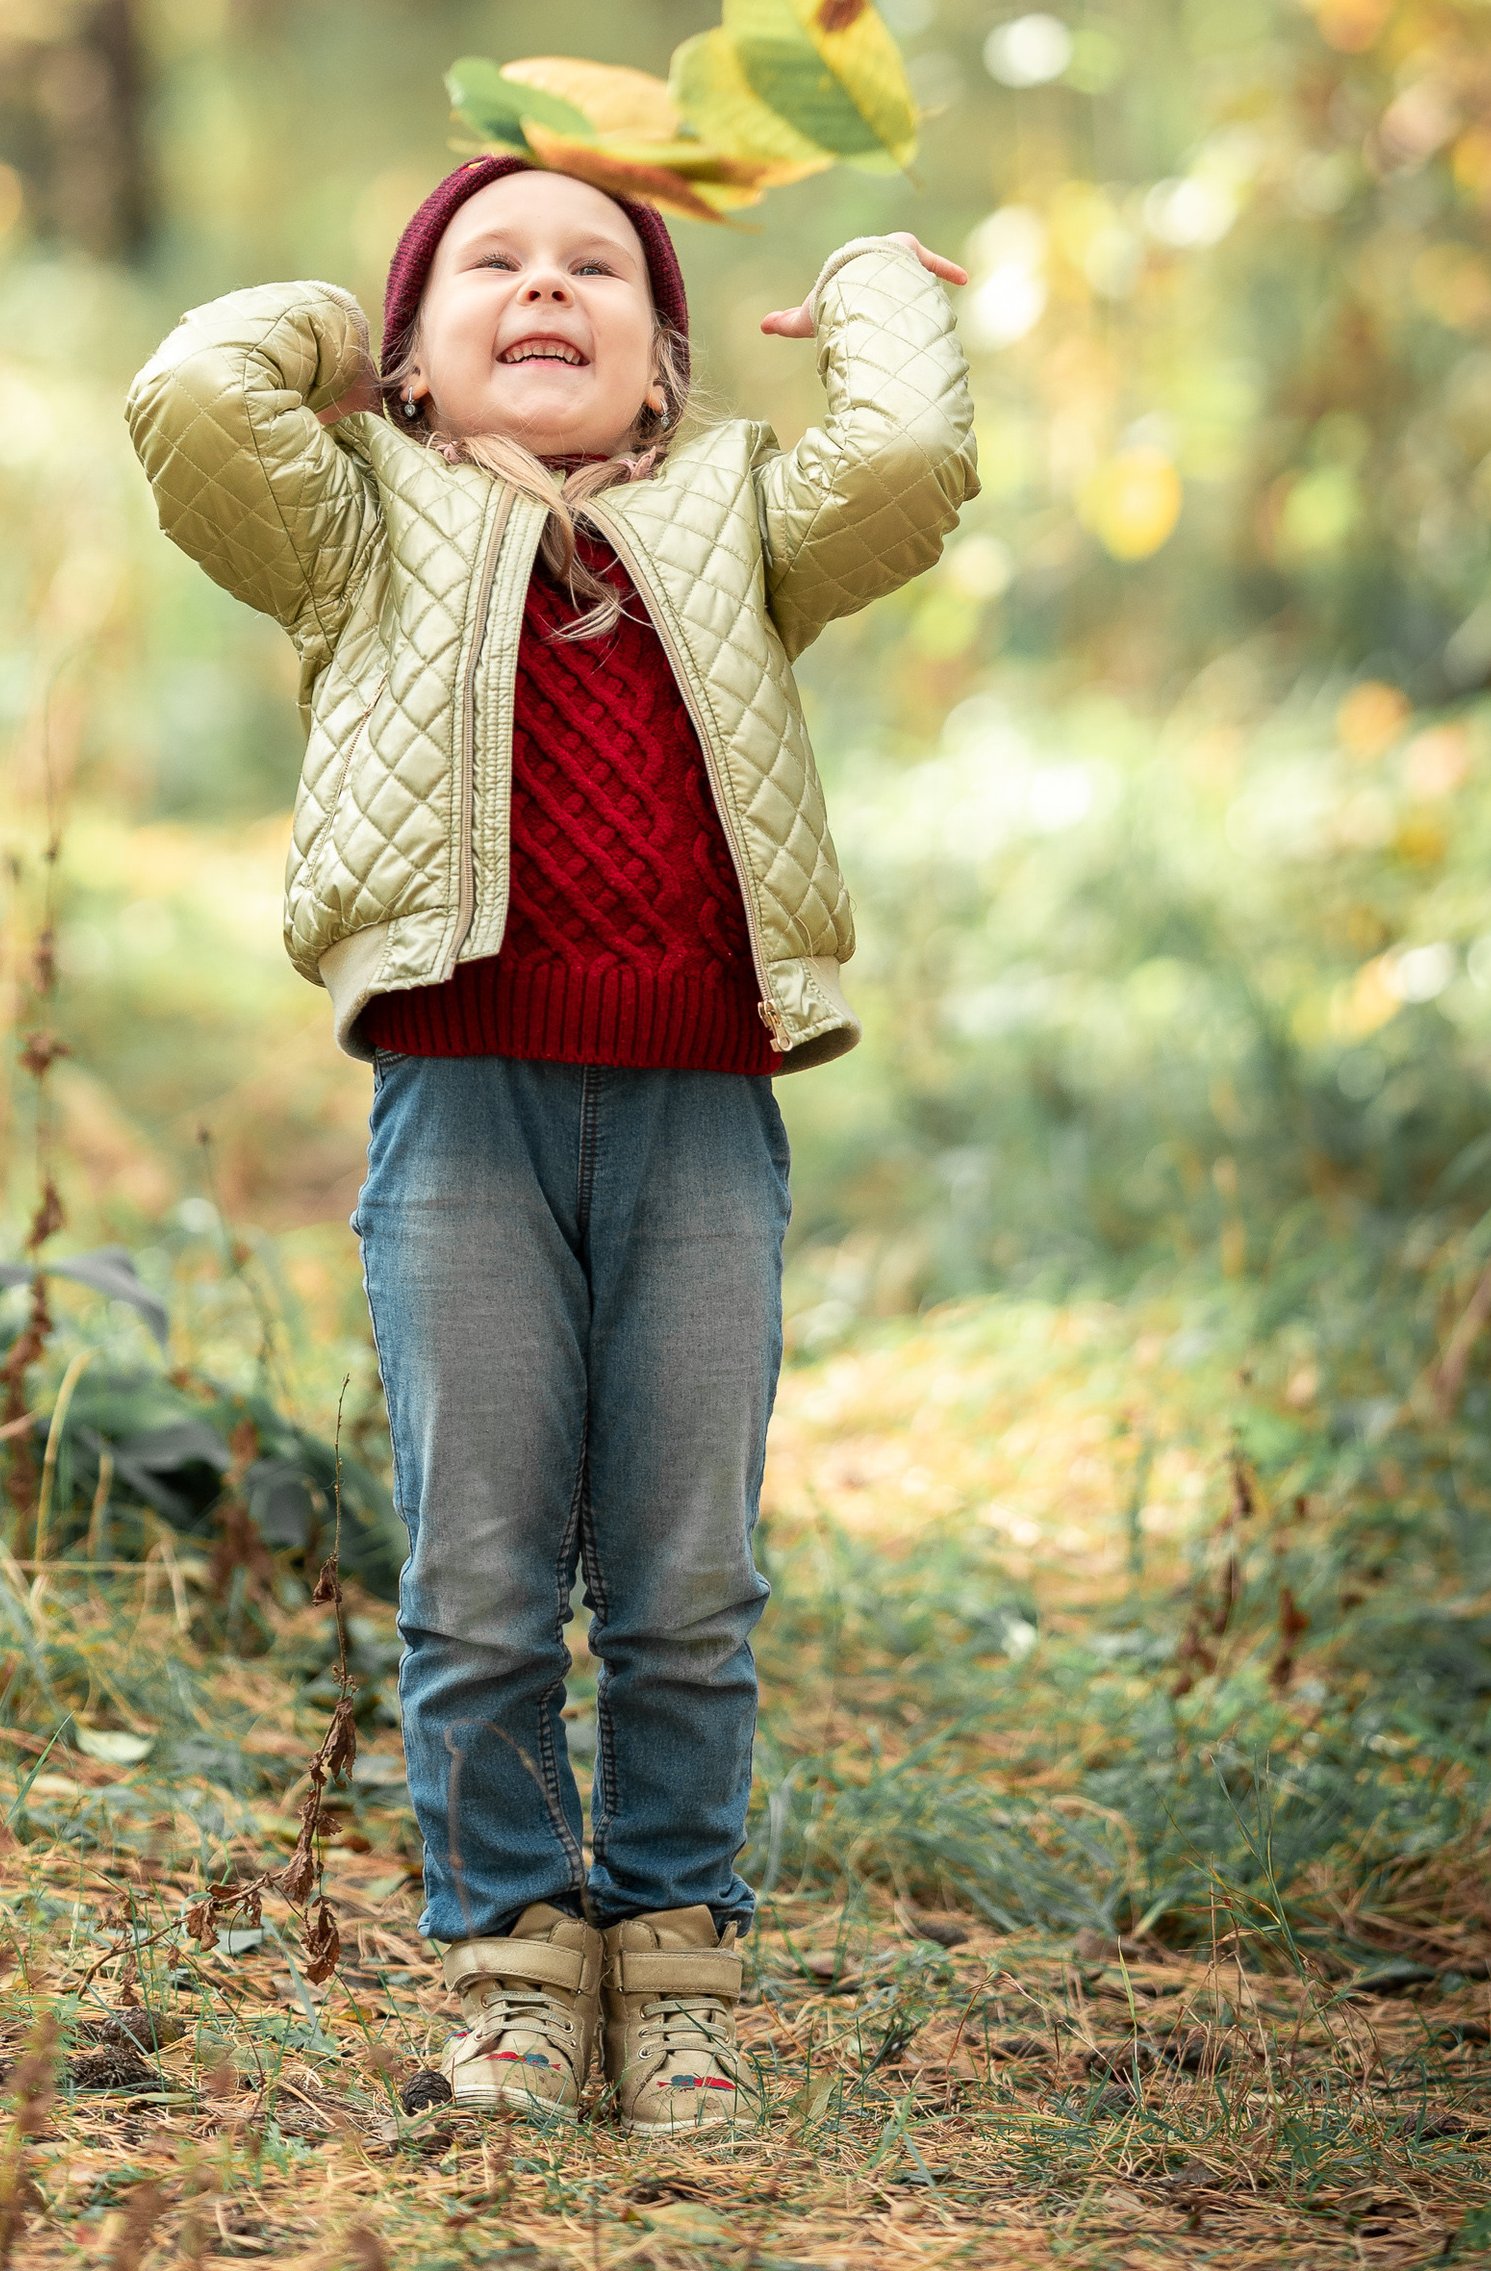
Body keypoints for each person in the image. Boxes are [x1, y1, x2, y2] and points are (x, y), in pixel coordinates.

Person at [126, 158, 975, 2128]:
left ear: (663, 368)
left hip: (701, 1112)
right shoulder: (358, 522)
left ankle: (669, 1971)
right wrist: (340, 332)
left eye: (595, 266)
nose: (542, 286)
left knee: (685, 1572)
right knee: (482, 1567)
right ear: (413, 364)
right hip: (460, 1101)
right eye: (484, 268)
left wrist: (865, 285)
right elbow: (188, 402)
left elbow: (913, 456)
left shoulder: (740, 515)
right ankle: (511, 1972)